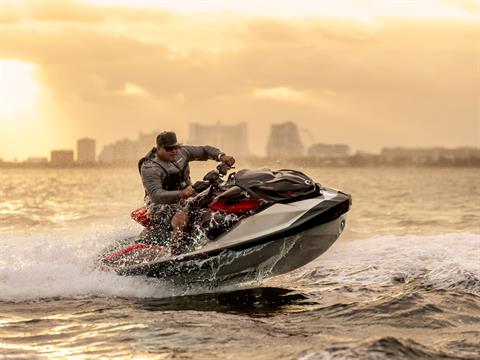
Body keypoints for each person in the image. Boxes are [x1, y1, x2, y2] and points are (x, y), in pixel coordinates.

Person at [138, 131, 235, 253]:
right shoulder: (150, 167)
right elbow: (156, 196)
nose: (173, 151)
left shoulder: (182, 152)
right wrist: (181, 193)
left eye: (175, 147)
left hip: (187, 197)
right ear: (158, 149)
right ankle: (175, 254)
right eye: (169, 149)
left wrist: (221, 156)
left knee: (218, 196)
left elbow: (204, 151)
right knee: (181, 218)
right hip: (160, 207)